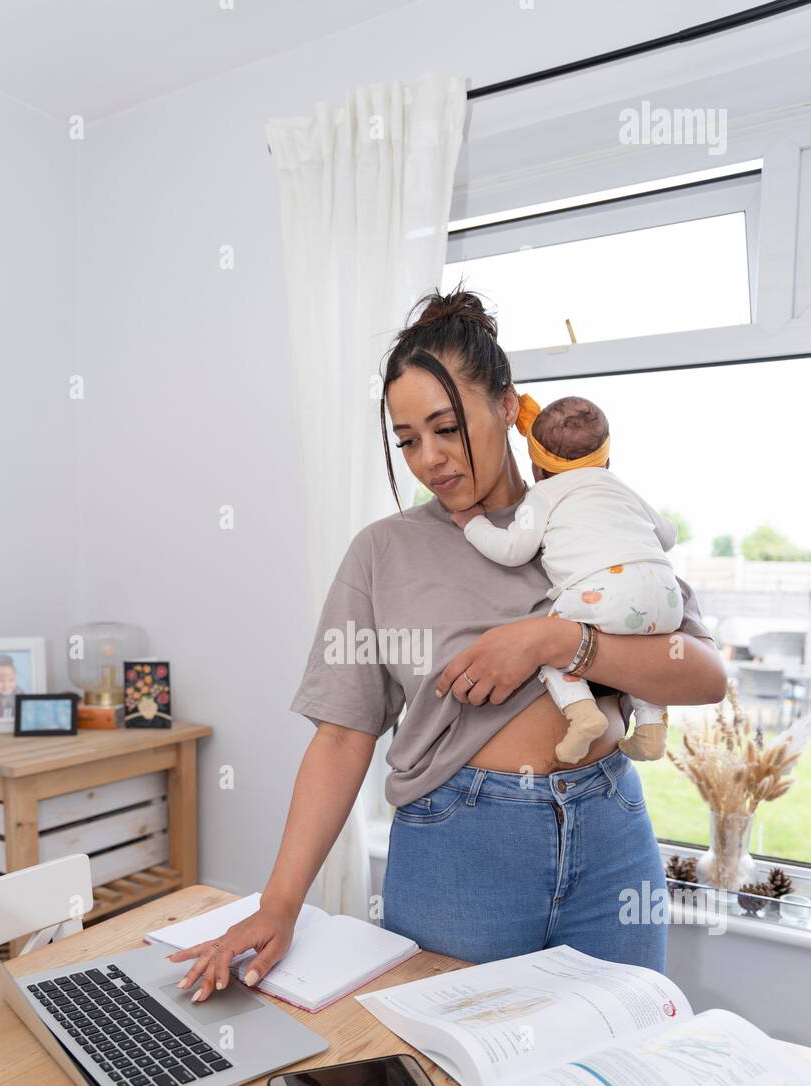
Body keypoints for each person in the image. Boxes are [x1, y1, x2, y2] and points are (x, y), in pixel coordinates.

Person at [170, 285, 726, 998]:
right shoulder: (383, 554)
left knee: (616, 1065)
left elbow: (702, 675)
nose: (429, 458)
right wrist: (278, 905)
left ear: (506, 405)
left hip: (610, 835)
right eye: (408, 441)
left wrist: (554, 640)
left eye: (447, 427)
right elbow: (342, 739)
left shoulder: (593, 509)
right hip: (460, 847)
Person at [452, 393, 683, 764]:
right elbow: (668, 535)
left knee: (549, 645)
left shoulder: (544, 493)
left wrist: (473, 524)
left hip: (604, 593)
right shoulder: (620, 486)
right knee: (643, 649)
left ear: (537, 469)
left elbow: (514, 549)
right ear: (606, 460)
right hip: (668, 598)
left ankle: (581, 714)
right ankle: (652, 727)